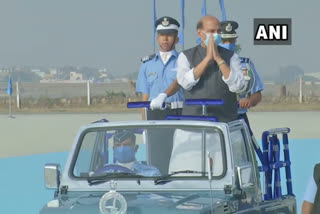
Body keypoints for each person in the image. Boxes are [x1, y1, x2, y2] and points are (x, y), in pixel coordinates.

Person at [150, 15, 245, 123]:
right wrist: (207, 59)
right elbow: (185, 82)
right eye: (211, 31)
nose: (216, 35)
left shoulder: (231, 56)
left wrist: (219, 59)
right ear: (200, 33)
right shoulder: (186, 56)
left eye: (218, 31)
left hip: (224, 122)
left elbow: (238, 86)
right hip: (194, 123)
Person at [219, 20, 264, 135]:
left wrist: (249, 101)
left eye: (231, 40)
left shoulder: (246, 64)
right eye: (224, 41)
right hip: (216, 119)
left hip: (239, 118)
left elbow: (257, 93)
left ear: (235, 40)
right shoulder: (207, 64)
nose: (228, 44)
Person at [136, 16, 184, 120]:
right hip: (154, 113)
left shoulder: (184, 61)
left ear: (177, 39)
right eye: (162, 35)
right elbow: (145, 98)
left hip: (179, 112)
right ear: (158, 38)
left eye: (169, 35)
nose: (165, 39)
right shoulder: (147, 64)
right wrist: (144, 124)